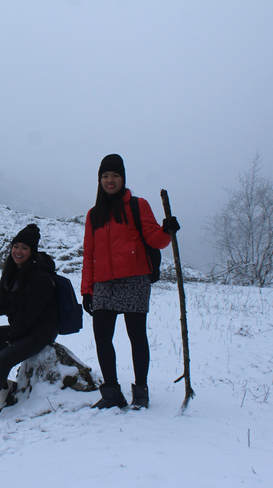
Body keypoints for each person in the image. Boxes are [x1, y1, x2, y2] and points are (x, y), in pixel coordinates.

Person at [81, 154, 180, 410]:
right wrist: (87, 290)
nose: (110, 180)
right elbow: (89, 255)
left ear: (123, 178)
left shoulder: (138, 205)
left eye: (114, 175)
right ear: (99, 180)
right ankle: (112, 393)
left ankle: (141, 391)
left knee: (136, 336)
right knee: (102, 337)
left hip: (134, 280)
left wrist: (166, 230)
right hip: (103, 283)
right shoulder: (94, 215)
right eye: (105, 176)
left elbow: (154, 239)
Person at [0, 224, 59, 428]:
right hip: (21, 327)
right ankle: (5, 387)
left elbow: (29, 316)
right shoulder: (11, 271)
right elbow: (1, 306)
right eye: (16, 246)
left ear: (32, 251)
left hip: (41, 331)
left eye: (24, 247)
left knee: (4, 356)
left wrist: (8, 340)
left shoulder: (39, 275)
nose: (18, 251)